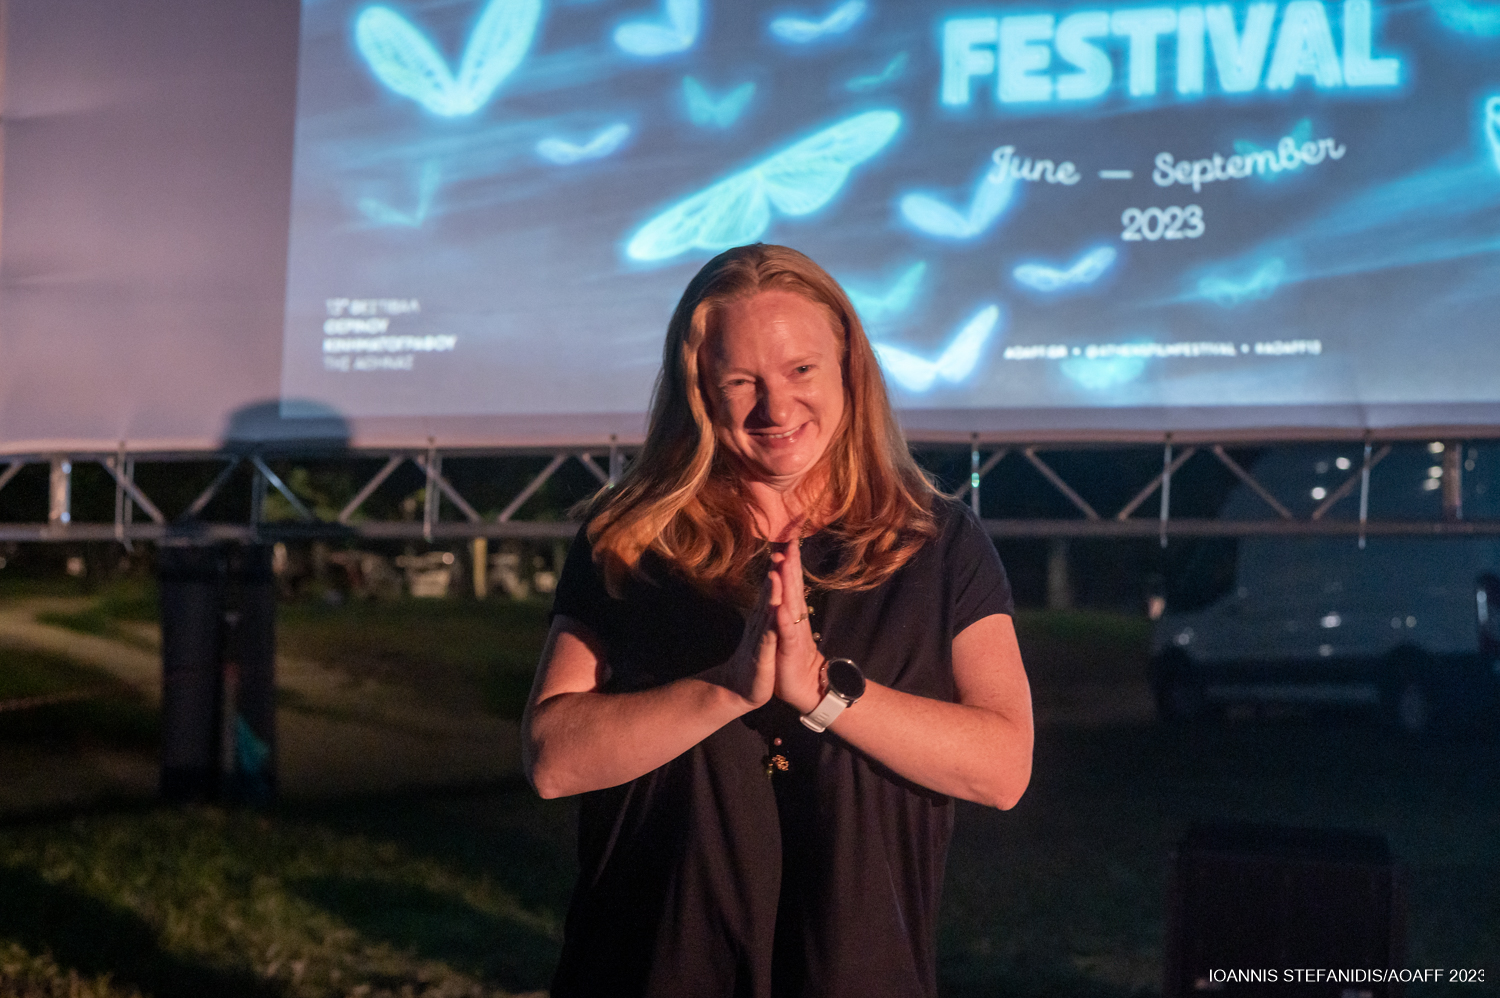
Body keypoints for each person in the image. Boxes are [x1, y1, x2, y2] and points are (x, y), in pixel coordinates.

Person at [522, 243, 1032, 998]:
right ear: (699, 390)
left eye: (800, 370)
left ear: (848, 368)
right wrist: (728, 689)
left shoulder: (938, 543)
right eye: (741, 382)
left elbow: (1004, 769)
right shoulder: (628, 542)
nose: (777, 409)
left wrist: (823, 691)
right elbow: (552, 759)